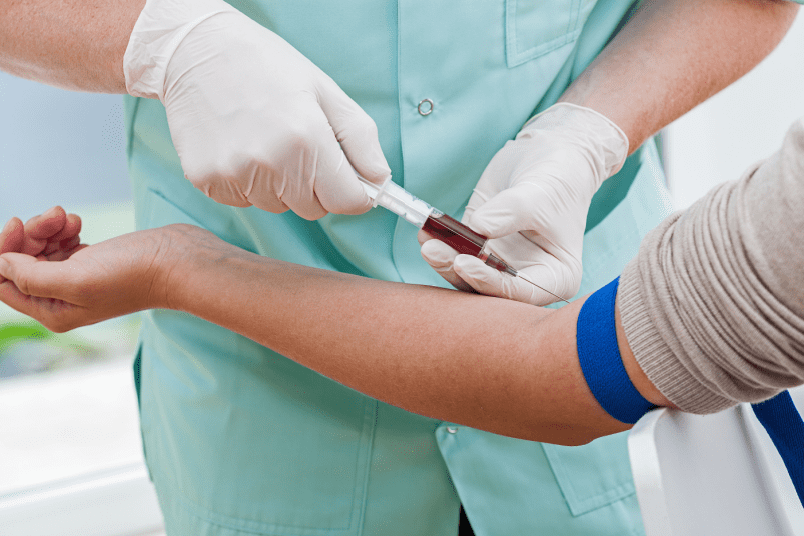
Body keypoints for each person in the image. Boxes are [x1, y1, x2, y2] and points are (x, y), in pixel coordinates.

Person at [2, 0, 801, 534]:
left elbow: (559, 377)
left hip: (600, 372)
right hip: (269, 425)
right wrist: (164, 41)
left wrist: (593, 131)